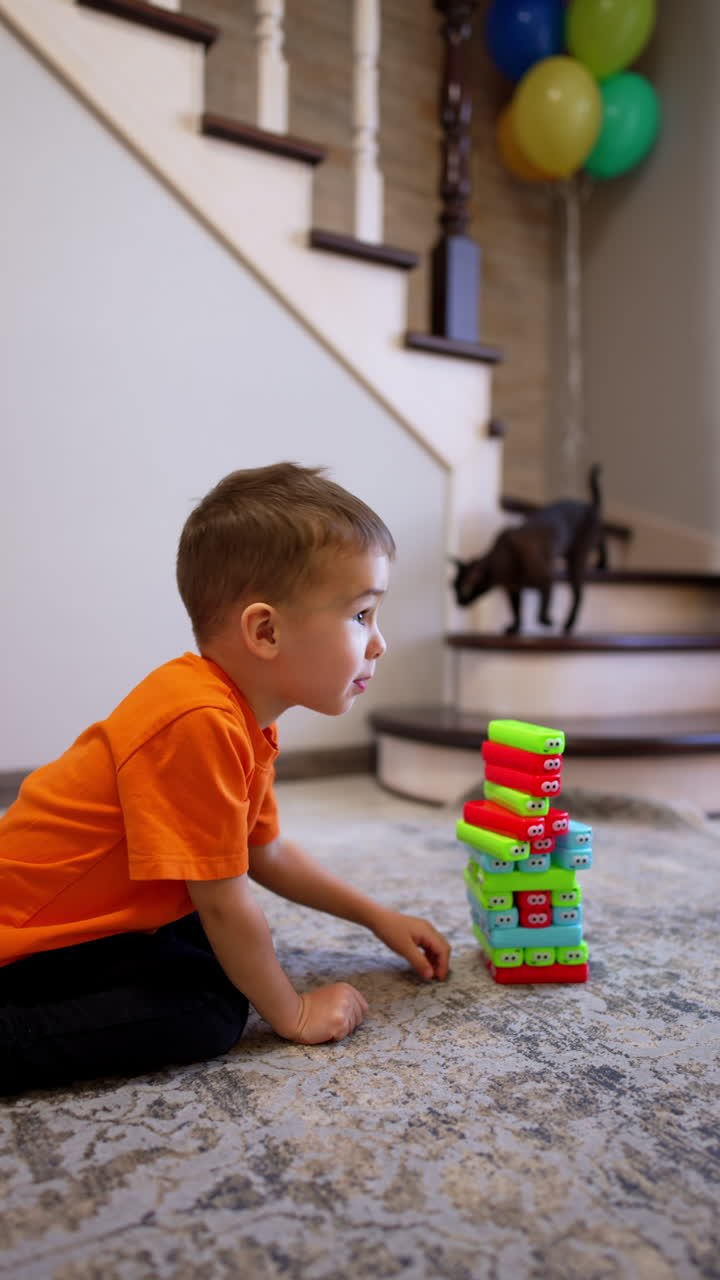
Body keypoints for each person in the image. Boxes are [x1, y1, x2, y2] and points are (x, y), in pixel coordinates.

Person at [0, 462, 450, 1094]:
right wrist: (290, 1013)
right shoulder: (199, 719)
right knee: (207, 1010)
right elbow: (222, 897)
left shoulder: (242, 716)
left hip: (94, 918)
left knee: (224, 950)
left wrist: (376, 917)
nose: (379, 643)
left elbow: (265, 852)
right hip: (22, 946)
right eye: (361, 615)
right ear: (265, 630)